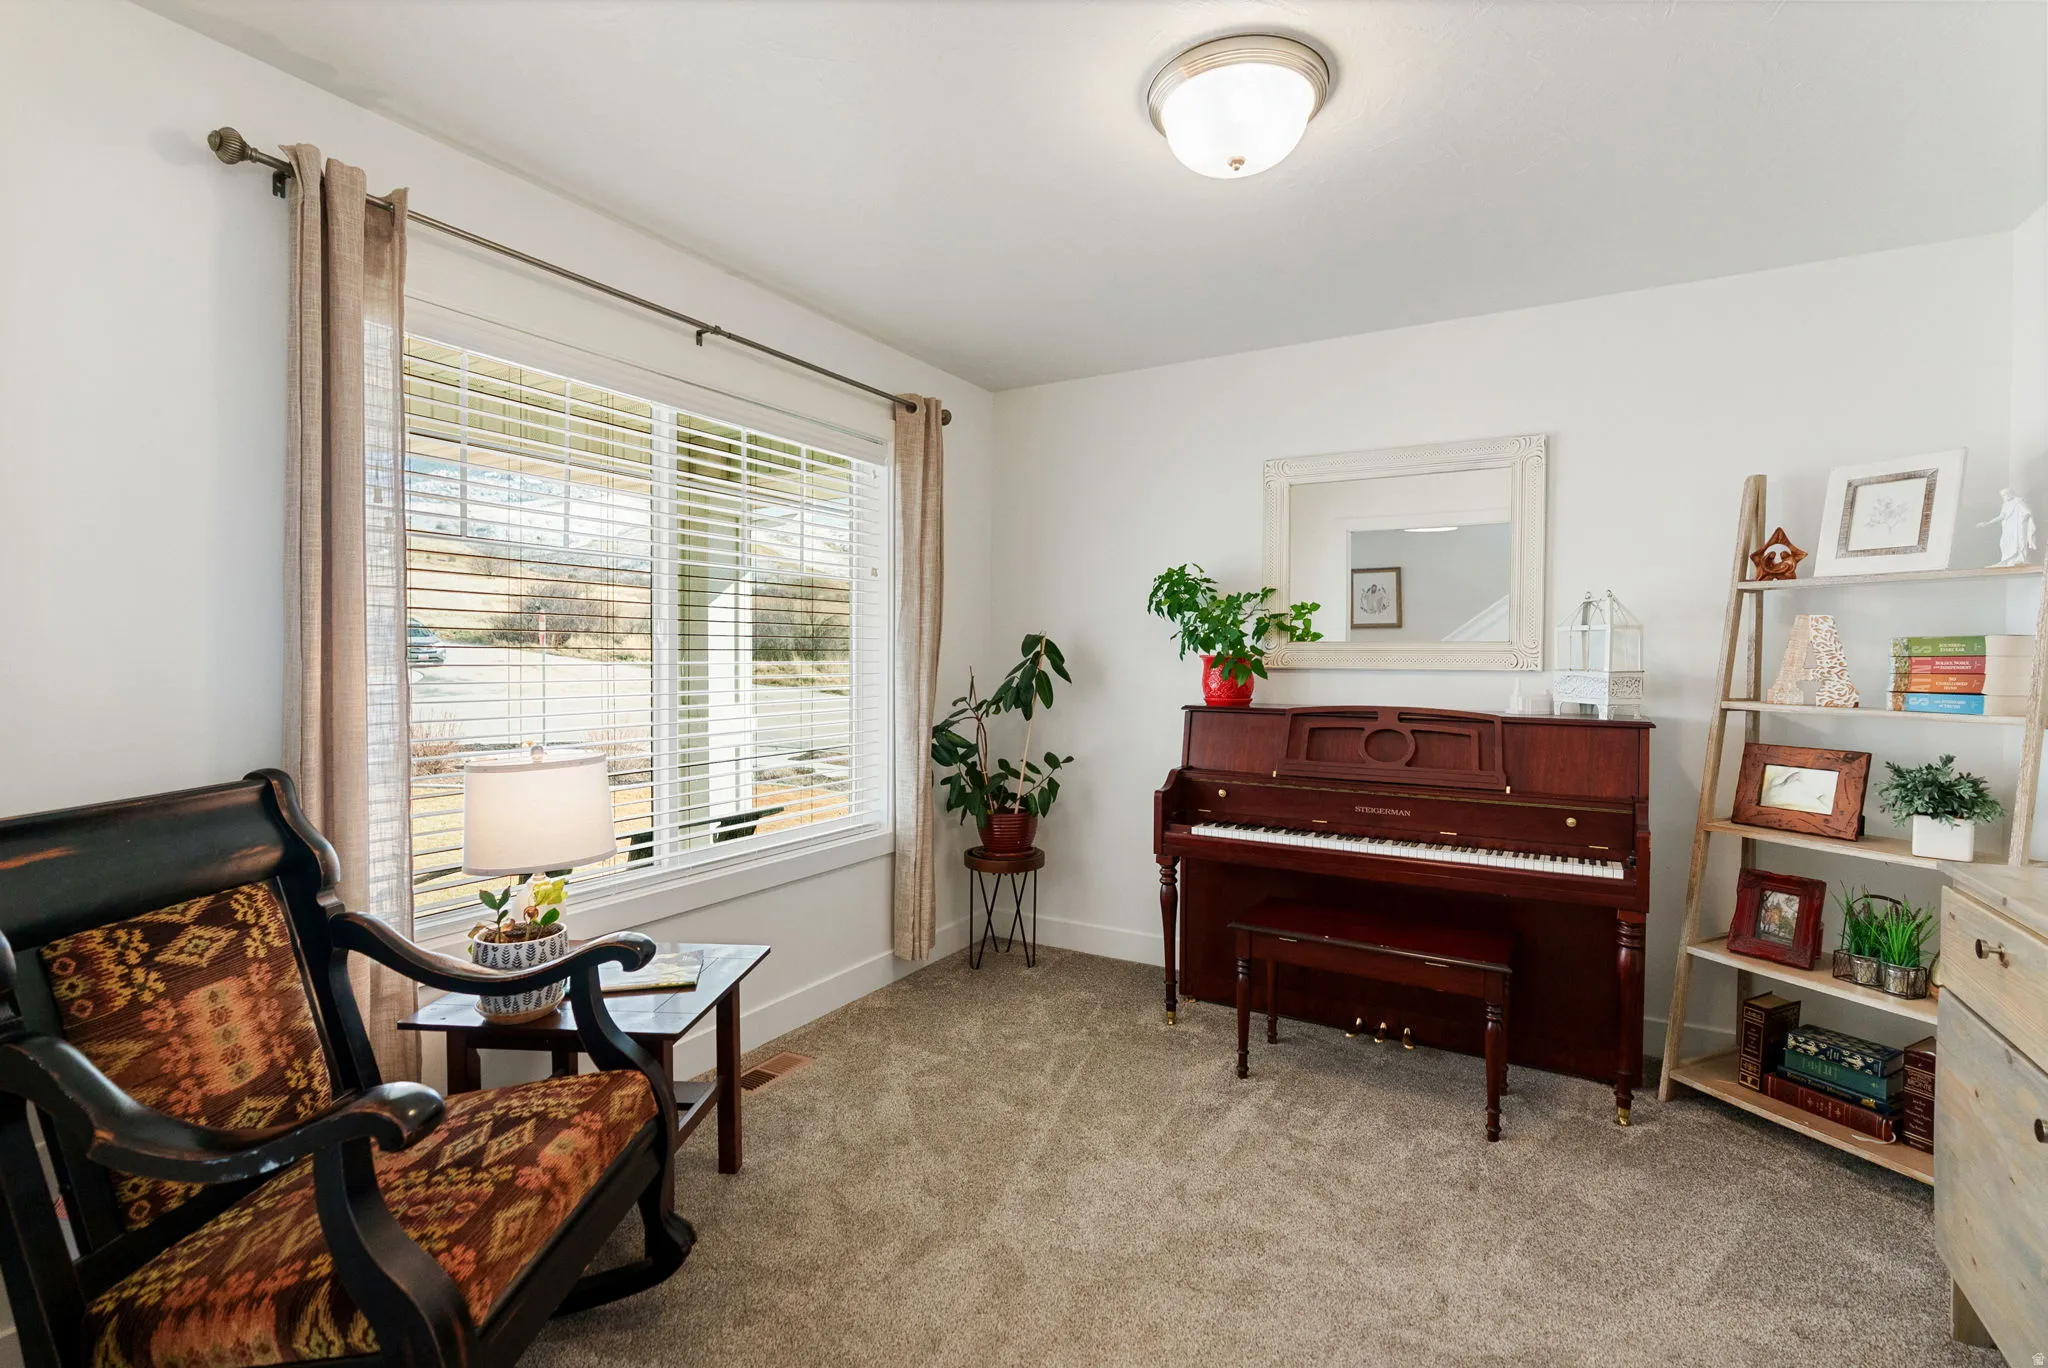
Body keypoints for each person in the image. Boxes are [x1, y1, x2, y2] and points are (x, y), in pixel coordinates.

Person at [1978, 488, 2037, 567]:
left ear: (2010, 493)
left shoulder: (2018, 501)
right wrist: (1987, 523)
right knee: (2004, 543)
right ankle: (2008, 560)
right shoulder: (2005, 504)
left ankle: (2019, 558)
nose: (2004, 497)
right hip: (2008, 527)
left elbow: (2028, 511)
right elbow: (2002, 516)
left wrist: (2023, 517)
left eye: (2005, 494)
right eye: (2002, 495)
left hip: (2018, 527)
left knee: (2019, 541)